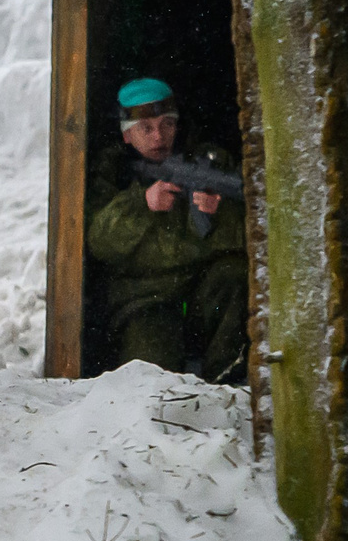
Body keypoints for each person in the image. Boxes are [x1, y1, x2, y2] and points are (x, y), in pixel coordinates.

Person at [84, 76, 247, 382]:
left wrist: (220, 212)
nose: (159, 136)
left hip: (203, 289)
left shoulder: (209, 162)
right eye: (146, 128)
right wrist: (141, 203)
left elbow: (254, 233)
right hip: (145, 297)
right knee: (151, 381)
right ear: (127, 136)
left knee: (234, 274)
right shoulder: (112, 174)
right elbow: (100, 242)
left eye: (166, 125)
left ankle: (227, 384)